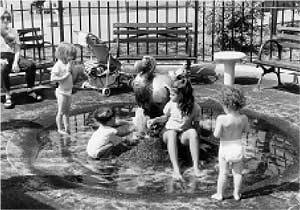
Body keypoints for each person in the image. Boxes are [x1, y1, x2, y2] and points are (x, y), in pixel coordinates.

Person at [147, 77, 202, 180]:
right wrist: (155, 120)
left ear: (182, 95)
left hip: (182, 134)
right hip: (168, 132)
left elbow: (197, 125)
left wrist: (198, 140)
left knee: (193, 132)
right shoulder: (171, 104)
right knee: (172, 133)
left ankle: (195, 166)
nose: (169, 96)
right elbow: (165, 117)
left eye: (172, 94)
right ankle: (176, 169)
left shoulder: (195, 107)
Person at [211, 86, 250, 201]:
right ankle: (236, 194)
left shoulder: (221, 119)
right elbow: (247, 130)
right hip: (237, 147)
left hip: (225, 147)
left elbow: (216, 135)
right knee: (237, 173)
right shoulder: (243, 118)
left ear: (226, 105)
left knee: (223, 173)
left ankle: (219, 194)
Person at [0, 7, 42, 109]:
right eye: (2, 18)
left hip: (13, 56)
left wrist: (15, 62)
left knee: (30, 65)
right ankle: (8, 95)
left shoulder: (13, 31)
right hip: (1, 57)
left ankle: (30, 89)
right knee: (3, 68)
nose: (6, 20)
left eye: (8, 18)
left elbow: (17, 48)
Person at [50, 42, 77, 135]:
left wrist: (71, 69)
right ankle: (59, 129)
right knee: (61, 111)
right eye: (70, 55)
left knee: (67, 111)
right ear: (63, 54)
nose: (72, 58)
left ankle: (67, 127)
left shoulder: (67, 64)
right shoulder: (58, 65)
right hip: (61, 92)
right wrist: (64, 77)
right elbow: (52, 79)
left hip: (68, 91)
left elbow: (73, 75)